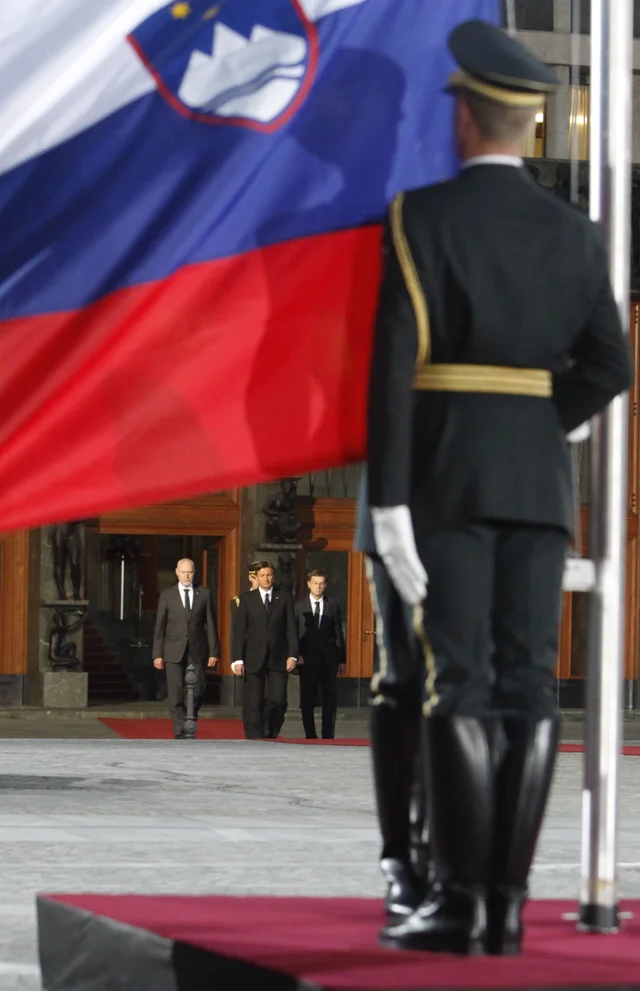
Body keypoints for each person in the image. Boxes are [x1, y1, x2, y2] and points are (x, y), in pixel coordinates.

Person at [367, 20, 632, 956]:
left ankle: (456, 899)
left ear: (465, 119)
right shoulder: (578, 233)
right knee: (528, 686)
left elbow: (392, 372)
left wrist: (391, 501)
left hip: (445, 477)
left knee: (457, 683)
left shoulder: (420, 218)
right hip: (538, 481)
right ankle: (505, 909)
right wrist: (531, 425)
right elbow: (611, 364)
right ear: (528, 127)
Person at [355, 476, 431, 922]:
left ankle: (448, 858)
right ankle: (400, 861)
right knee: (401, 678)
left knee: (470, 684)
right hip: (397, 487)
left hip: (482, 489)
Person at [152, 558, 220, 739]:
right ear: (177, 573)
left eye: (189, 572)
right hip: (172, 649)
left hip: (197, 648)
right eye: (183, 572)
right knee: (176, 691)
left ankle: (191, 717)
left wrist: (214, 651)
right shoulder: (167, 595)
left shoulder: (203, 594)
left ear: (194, 572)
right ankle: (180, 728)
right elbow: (160, 626)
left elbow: (211, 624)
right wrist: (157, 654)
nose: (187, 575)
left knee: (199, 688)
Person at [231, 561, 299, 739]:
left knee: (278, 700)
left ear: (273, 577)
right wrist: (237, 659)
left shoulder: (283, 598)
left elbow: (291, 628)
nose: (266, 578)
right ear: (256, 577)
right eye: (262, 575)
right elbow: (239, 631)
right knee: (253, 701)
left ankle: (271, 730)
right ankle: (254, 736)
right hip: (253, 657)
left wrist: (293, 654)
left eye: (269, 575)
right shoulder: (246, 600)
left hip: (278, 657)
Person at [295, 570, 346, 740]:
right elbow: (294, 633)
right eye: (315, 583)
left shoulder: (333, 604)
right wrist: (295, 655)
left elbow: (338, 632)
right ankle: (310, 735)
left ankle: (327, 735)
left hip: (329, 660)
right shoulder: (299, 606)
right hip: (307, 659)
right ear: (309, 584)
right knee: (307, 698)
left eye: (322, 583)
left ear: (325, 585)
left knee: (330, 699)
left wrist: (342, 660)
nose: (318, 586)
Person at [230, 563, 261, 649]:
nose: (260, 582)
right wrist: (235, 659)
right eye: (257, 579)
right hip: (248, 650)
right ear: (250, 578)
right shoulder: (239, 601)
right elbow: (236, 631)